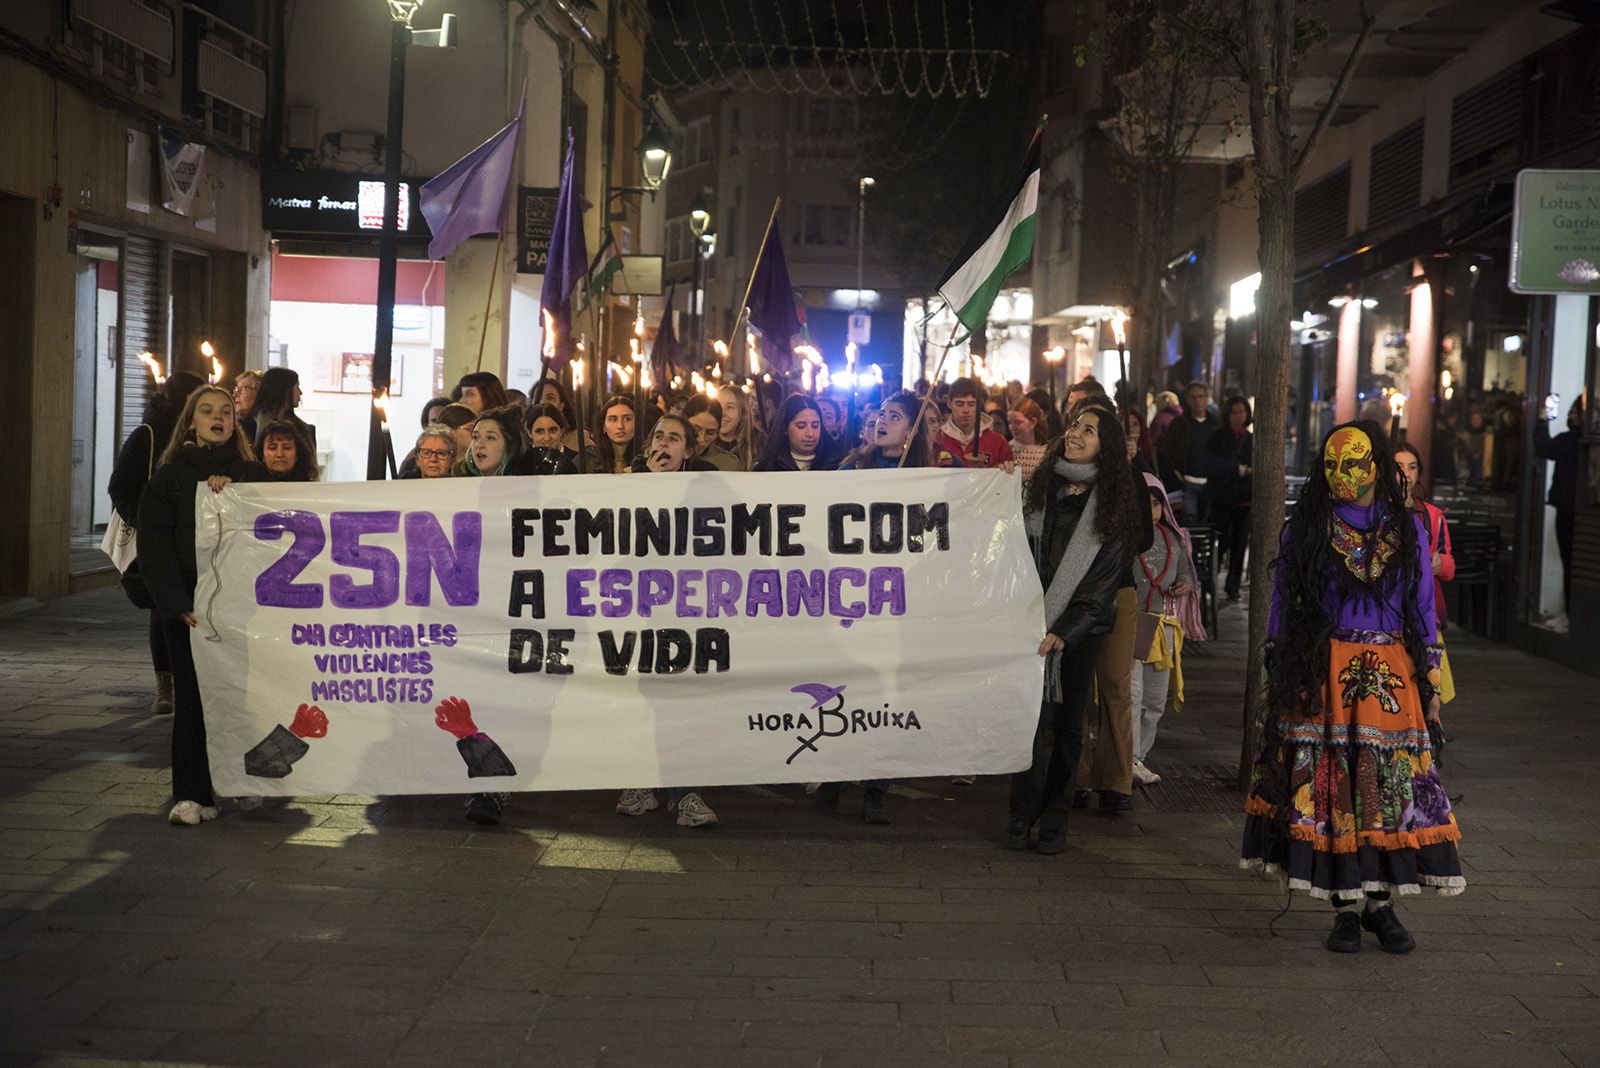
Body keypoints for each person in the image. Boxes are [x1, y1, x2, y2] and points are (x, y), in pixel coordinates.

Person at [1241, 421, 1460, 955]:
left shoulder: (1407, 530)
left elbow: (1423, 610)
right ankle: (1343, 908)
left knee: (1384, 794)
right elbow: (1281, 608)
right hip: (1322, 673)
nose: (1344, 473)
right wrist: (1277, 672)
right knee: (1333, 792)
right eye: (1334, 463)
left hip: (1390, 676)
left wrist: (1431, 680)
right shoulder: (1305, 528)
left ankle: (1380, 907)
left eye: (1356, 462)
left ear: (1377, 467)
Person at [1008, 399, 1139, 853]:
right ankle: (1021, 813)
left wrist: (1064, 629)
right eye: (1074, 425)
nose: (1076, 434)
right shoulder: (1041, 487)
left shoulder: (1114, 503)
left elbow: (1103, 582)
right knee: (1028, 723)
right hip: (1029, 624)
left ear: (1106, 448)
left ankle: (1054, 823)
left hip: (1079, 633)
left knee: (1066, 727)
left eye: (1090, 429)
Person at [136, 385, 270, 826]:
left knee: (243, 696)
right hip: (191, 612)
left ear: (235, 422)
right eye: (207, 411)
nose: (218, 417)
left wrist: (237, 495)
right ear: (191, 421)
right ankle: (193, 793)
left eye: (226, 412)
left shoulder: (253, 474)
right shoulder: (169, 478)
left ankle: (242, 782)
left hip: (244, 610)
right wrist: (176, 603)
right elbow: (154, 545)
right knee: (193, 699)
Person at [613, 412, 721, 829]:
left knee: (680, 701)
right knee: (641, 700)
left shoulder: (703, 491)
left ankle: (683, 793)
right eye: (658, 436)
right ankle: (640, 781)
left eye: (674, 439)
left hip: (687, 611)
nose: (664, 444)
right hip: (639, 609)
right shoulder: (626, 485)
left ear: (689, 452)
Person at [107, 370, 205, 717]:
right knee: (162, 612)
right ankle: (165, 684)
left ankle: (191, 681)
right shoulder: (147, 435)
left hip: (196, 540)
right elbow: (120, 485)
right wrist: (146, 523)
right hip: (158, 539)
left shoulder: (202, 436)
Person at [1129, 475, 1203, 786]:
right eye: (1143, 505)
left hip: (1163, 628)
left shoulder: (1173, 540)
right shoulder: (1125, 539)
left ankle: (1139, 757)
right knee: (1132, 696)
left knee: (1155, 701)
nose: (1151, 511)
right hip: (1132, 626)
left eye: (1156, 504)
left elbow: (1185, 570)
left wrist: (1185, 583)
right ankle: (1127, 757)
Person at [1395, 442, 1456, 704]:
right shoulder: (1376, 513)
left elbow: (1450, 565)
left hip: (1423, 602)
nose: (1407, 474)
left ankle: (1430, 722)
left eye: (1412, 467)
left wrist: (1437, 562)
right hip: (1392, 607)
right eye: (1399, 467)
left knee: (1427, 670)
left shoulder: (1431, 515)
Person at [1533, 397, 1582, 618]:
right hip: (1578, 508)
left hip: (1566, 508)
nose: (1570, 416)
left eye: (1574, 413)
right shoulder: (1580, 441)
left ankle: (1570, 613)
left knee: (1568, 560)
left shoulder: (1568, 440)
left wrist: (1542, 421)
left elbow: (1543, 448)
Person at [1202, 396, 1254, 600]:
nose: (1238, 416)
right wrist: (1236, 469)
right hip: (1221, 498)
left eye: (1242, 412)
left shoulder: (1250, 440)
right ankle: (1210, 583)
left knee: (1239, 545)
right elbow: (1209, 464)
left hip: (1243, 500)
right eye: (1234, 412)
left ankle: (1232, 586)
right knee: (1219, 542)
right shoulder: (1217, 437)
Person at [1158, 380, 1216, 521]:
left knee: (1208, 521)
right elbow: (1167, 450)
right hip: (1187, 481)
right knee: (1190, 522)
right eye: (1194, 397)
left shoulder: (1215, 424)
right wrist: (1176, 473)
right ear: (1188, 400)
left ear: (1207, 399)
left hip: (1210, 481)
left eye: (1201, 396)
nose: (1198, 401)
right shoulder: (1179, 424)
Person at [838, 389, 930, 472]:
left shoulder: (918, 472)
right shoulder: (856, 466)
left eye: (894, 417)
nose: (883, 421)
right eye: (881, 415)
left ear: (910, 431)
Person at [939, 377, 1013, 469]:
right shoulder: (939, 440)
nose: (966, 410)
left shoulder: (997, 442)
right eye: (959, 404)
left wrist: (1005, 468)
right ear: (949, 403)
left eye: (971, 404)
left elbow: (1008, 479)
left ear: (978, 405)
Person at [754, 395, 841, 472]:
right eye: (801, 426)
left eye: (815, 426)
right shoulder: (767, 467)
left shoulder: (839, 465)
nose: (810, 433)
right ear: (785, 428)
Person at [247, 367, 316, 453]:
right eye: (297, 387)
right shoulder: (250, 425)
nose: (300, 392)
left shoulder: (303, 429)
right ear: (286, 391)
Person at [455, 405, 526, 477]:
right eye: (475, 437)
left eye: (490, 438)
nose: (479, 444)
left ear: (510, 446)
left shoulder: (527, 481)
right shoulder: (458, 480)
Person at [1124, 408, 1180, 492]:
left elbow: (1172, 485)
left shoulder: (1155, 454)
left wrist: (1137, 456)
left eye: (1135, 424)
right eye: (1126, 425)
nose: (1131, 429)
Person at [684, 394, 741, 471]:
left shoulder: (727, 464)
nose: (702, 439)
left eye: (710, 433)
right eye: (695, 430)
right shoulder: (667, 454)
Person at [585, 395, 639, 474]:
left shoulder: (647, 457)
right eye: (613, 419)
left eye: (627, 419)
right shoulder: (588, 459)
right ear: (603, 426)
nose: (620, 426)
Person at [254, 420, 319, 482]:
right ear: (262, 454)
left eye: (287, 448)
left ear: (297, 454)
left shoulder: (310, 488)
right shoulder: (250, 486)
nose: (280, 454)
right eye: (272, 448)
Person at [716, 384, 759, 470]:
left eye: (730, 407)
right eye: (718, 406)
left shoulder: (759, 445)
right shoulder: (705, 445)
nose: (722, 413)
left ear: (743, 413)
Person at [1007, 398, 1049, 484]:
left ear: (1033, 422)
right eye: (1010, 423)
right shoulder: (1006, 449)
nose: (1012, 427)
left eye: (1018, 422)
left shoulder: (1047, 451)